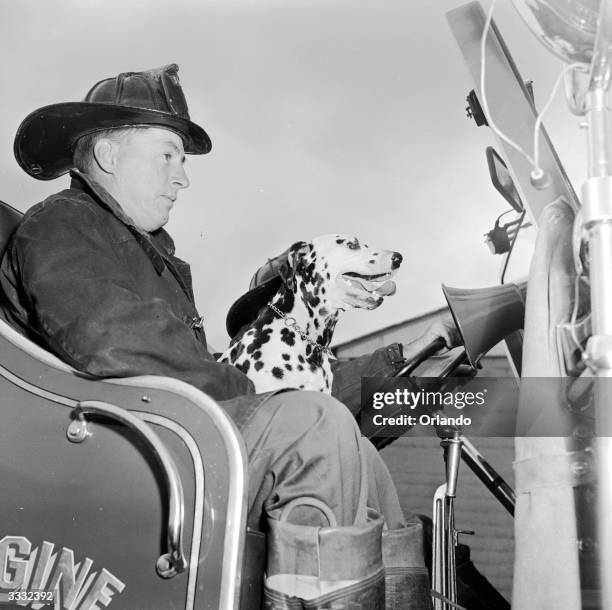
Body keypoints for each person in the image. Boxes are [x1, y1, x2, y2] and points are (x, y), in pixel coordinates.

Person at [0, 64, 458, 607]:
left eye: (183, 161)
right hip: (128, 453)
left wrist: (399, 367)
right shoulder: (65, 224)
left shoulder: (141, 252)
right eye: (167, 154)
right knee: (314, 423)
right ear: (108, 155)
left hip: (168, 435)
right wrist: (252, 393)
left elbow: (194, 371)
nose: (182, 178)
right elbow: (113, 340)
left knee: (362, 456)